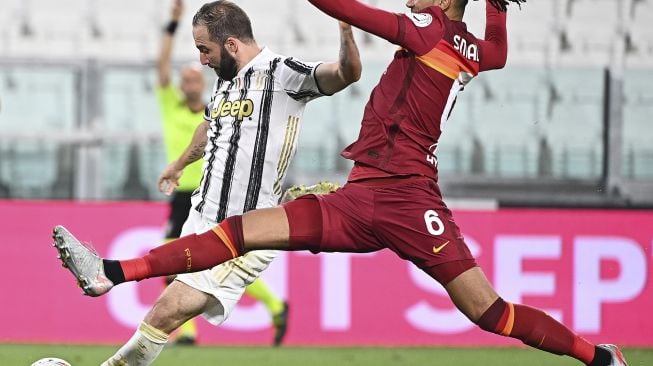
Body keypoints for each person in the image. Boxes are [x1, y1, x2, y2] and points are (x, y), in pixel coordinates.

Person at [53, 1, 628, 366]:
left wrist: (345, 20)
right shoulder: (467, 47)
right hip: (358, 195)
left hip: (410, 199)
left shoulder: (426, 31)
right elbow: (496, 51)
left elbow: (337, 12)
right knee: (239, 232)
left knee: (490, 312)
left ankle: (597, 358)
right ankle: (109, 274)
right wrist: (497, 7)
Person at [58, 2, 361, 365]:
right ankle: (107, 275)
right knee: (165, 311)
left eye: (205, 49)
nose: (202, 60)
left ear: (231, 45)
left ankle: (107, 274)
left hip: (247, 230)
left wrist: (346, 29)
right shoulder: (224, 86)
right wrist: (178, 163)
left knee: (165, 311)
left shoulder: (284, 74)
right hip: (201, 219)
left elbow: (346, 73)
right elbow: (209, 127)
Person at [154, 0, 291, 346]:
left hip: (215, 195)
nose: (187, 83)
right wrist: (172, 24)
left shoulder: (217, 106)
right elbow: (161, 66)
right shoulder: (171, 106)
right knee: (191, 262)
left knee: (198, 261)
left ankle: (192, 329)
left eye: (192, 79)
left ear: (200, 84)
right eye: (182, 79)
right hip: (185, 195)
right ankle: (268, 306)